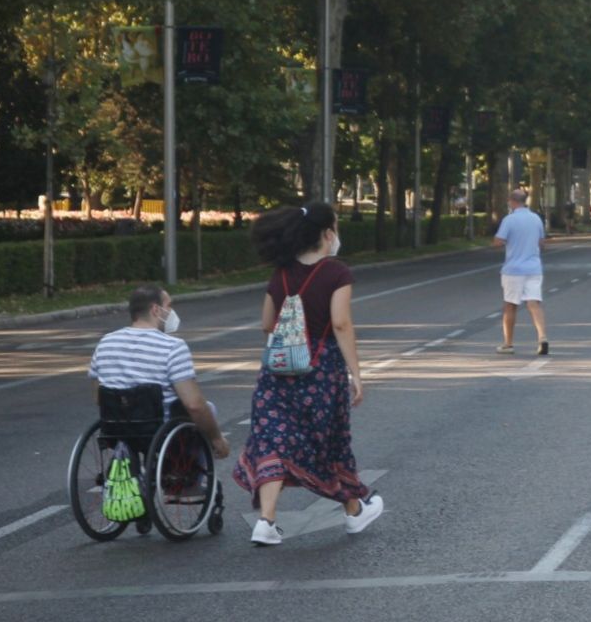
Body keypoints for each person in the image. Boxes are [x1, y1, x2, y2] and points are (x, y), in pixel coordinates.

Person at [234, 202, 381, 546]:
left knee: (272, 440)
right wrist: (357, 374)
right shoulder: (337, 273)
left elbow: (267, 324)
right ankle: (354, 511)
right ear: (328, 234)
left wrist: (290, 335)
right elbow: (341, 323)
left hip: (278, 371)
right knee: (325, 443)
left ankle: (265, 522)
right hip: (322, 370)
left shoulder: (281, 273)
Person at [89, 284, 230, 460]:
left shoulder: (105, 343)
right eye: (169, 306)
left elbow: (98, 397)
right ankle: (193, 483)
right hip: (158, 430)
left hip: (115, 426)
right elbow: (194, 405)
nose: (172, 312)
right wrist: (216, 439)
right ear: (156, 309)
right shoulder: (173, 347)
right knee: (207, 408)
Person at [492, 189, 548, 356]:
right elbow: (541, 243)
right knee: (534, 303)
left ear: (511, 201)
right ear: (525, 201)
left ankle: (508, 344)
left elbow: (498, 242)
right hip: (534, 267)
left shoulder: (509, 220)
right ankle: (542, 337)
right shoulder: (536, 218)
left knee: (510, 305)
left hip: (513, 269)